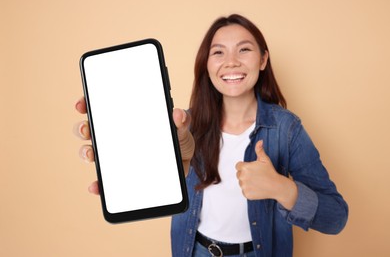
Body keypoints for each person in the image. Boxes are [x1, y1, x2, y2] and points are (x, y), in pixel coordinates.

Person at [75, 14, 348, 257]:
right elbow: (147, 176)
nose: (231, 62)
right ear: (206, 64)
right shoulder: (184, 126)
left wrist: (281, 188)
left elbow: (336, 217)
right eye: (218, 53)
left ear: (263, 59)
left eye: (244, 50)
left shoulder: (287, 129)